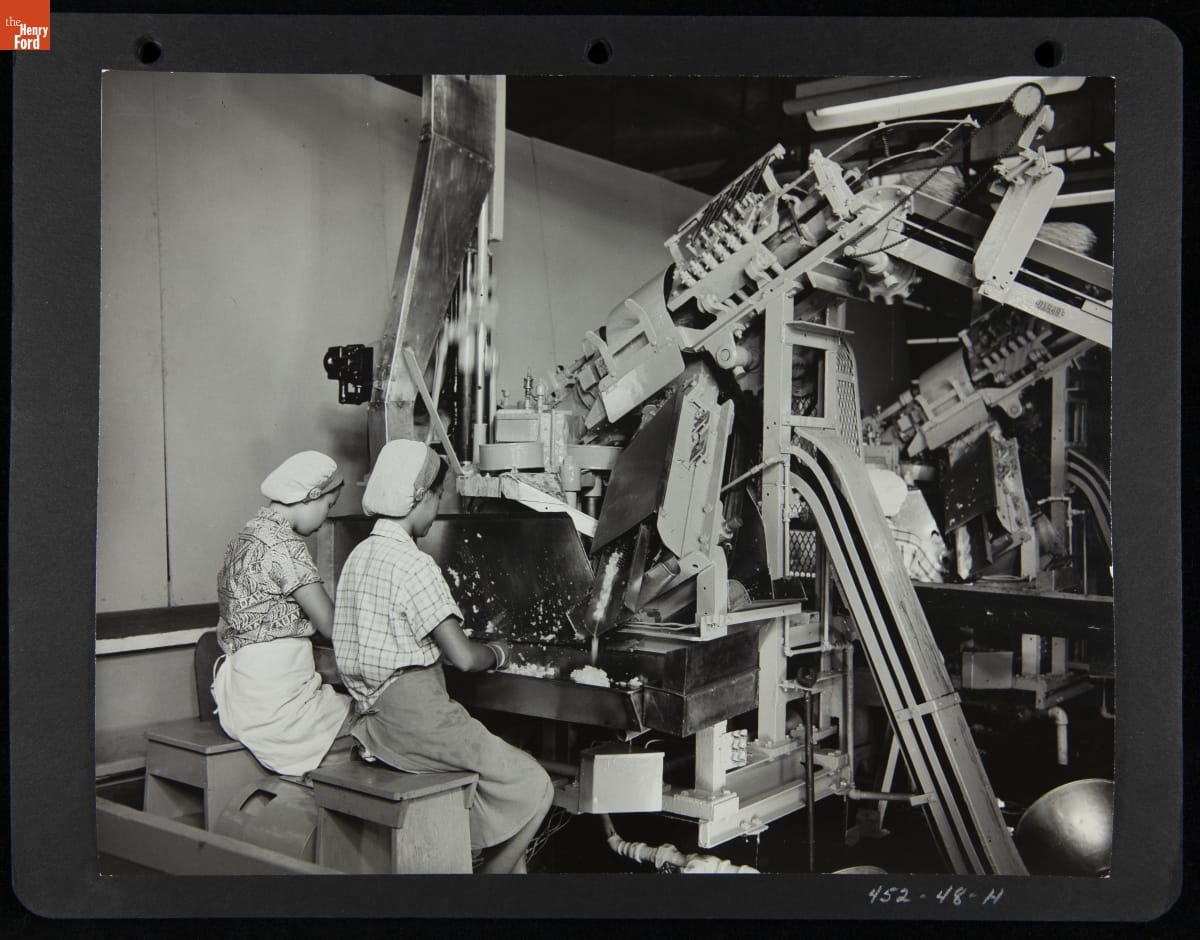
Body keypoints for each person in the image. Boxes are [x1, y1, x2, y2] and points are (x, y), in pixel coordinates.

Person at [332, 439, 553, 874]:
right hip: (417, 724)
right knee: (535, 785)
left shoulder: (359, 555)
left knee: (494, 789)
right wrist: (499, 651)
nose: (436, 510)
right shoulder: (414, 564)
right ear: (418, 498)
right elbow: (464, 659)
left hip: (373, 725)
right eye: (437, 498)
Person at [211, 450, 352, 780]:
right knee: (370, 723)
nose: (324, 520)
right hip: (276, 705)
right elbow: (332, 625)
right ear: (311, 496)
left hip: (240, 699)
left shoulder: (244, 536)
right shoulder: (286, 544)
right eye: (328, 507)